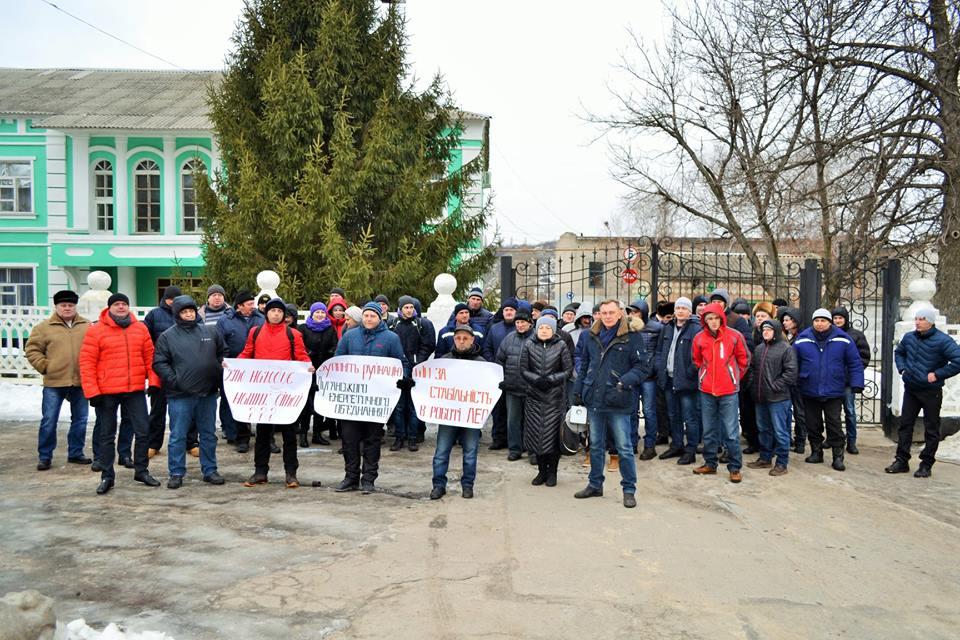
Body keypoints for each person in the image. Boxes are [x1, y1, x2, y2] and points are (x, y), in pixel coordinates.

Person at [79, 292, 161, 495]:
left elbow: (150, 356)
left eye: (124, 304)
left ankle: (141, 470)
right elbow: (87, 363)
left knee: (143, 431)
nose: (121, 307)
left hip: (134, 390)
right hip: (107, 391)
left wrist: (154, 382)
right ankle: (107, 476)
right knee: (107, 435)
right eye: (116, 304)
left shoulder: (140, 328)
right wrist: (92, 392)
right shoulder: (96, 331)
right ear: (110, 308)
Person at [572, 299, 647, 508]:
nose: (607, 316)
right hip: (595, 399)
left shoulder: (632, 337)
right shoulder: (590, 335)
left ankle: (629, 490)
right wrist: (578, 391)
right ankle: (595, 484)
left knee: (624, 448)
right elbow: (584, 365)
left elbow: (642, 367)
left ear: (620, 313)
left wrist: (624, 382)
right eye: (603, 313)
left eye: (611, 312)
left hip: (619, 399)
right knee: (595, 445)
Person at [333, 302, 410, 493]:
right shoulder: (350, 336)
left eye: (372, 316)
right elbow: (338, 360)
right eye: (366, 315)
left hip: (376, 400)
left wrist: (403, 377)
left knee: (372, 440)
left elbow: (401, 362)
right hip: (351, 398)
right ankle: (350, 477)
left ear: (379, 317)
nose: (369, 319)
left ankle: (368, 479)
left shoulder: (391, 338)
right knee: (349, 440)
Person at [153, 295, 227, 489]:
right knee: (178, 435)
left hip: (207, 393)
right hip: (180, 395)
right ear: (177, 314)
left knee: (208, 434)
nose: (189, 315)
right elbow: (159, 363)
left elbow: (223, 353)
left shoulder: (210, 331)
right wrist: (175, 380)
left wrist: (218, 368)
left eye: (191, 311)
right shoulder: (167, 336)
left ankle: (210, 470)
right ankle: (176, 472)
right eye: (184, 312)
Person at [239, 297, 313, 489]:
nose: (276, 314)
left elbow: (301, 356)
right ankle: (260, 472)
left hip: (285, 393)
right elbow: (247, 354)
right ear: (267, 313)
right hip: (263, 393)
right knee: (262, 434)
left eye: (280, 311)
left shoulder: (293, 334)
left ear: (284, 315)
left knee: (289, 434)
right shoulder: (255, 332)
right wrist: (233, 365)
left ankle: (291, 473)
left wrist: (308, 366)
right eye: (273, 311)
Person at [886, 307, 960, 477]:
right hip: (911, 389)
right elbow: (899, 353)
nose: (918, 322)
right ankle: (901, 460)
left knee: (931, 428)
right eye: (916, 319)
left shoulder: (943, 340)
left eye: (922, 319)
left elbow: (958, 360)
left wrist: (938, 374)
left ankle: (926, 464)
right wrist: (903, 369)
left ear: (931, 322)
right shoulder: (909, 337)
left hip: (931, 392)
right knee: (905, 426)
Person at [25, 289, 92, 470]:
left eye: (70, 305)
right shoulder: (43, 328)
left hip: (80, 382)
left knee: (80, 420)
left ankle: (76, 453)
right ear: (56, 307)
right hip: (54, 382)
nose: (67, 308)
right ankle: (45, 456)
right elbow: (32, 349)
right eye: (63, 305)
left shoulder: (87, 326)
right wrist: (45, 366)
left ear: (75, 306)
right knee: (49, 420)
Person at [793, 308, 864, 472]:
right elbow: (793, 362)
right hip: (809, 389)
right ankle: (816, 452)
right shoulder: (802, 339)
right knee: (813, 424)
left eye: (823, 320)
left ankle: (838, 457)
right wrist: (795, 381)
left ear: (829, 322)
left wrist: (856, 383)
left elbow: (854, 362)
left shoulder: (843, 339)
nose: (819, 323)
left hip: (834, 390)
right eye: (816, 320)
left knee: (834, 424)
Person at [691, 301, 750, 483]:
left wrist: (733, 376)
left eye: (717, 318)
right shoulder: (699, 338)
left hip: (728, 391)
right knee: (709, 430)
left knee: (731, 432)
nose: (714, 321)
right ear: (705, 320)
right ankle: (710, 463)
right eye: (710, 318)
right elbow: (696, 359)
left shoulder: (735, 336)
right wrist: (705, 375)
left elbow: (744, 359)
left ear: (722, 318)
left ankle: (735, 467)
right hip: (707, 390)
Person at [430, 325, 487, 499]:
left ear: (472, 340)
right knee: (441, 452)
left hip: (470, 416)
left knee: (470, 452)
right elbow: (433, 385)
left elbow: (487, 388)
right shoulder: (444, 361)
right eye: (458, 338)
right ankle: (438, 485)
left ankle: (468, 485)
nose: (461, 341)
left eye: (465, 338)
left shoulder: (482, 363)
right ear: (453, 340)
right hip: (449, 415)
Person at [520, 315, 574, 488]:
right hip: (534, 398)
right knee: (536, 437)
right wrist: (536, 380)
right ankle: (541, 471)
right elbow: (523, 369)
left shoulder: (561, 345)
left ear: (553, 330)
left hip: (554, 399)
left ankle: (552, 473)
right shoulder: (529, 345)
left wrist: (551, 380)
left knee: (553, 438)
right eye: (541, 328)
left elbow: (568, 370)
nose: (544, 331)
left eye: (548, 328)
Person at [654, 296, 702, 465]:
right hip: (669, 379)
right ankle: (676, 445)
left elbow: (699, 356)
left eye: (684, 308)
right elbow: (659, 351)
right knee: (673, 415)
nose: (680, 311)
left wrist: (690, 372)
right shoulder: (667, 328)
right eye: (678, 308)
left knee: (690, 417)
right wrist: (659, 366)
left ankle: (691, 450)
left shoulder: (696, 329)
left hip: (687, 381)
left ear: (690, 312)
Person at [746, 319, 797, 476]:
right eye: (763, 330)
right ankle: (765, 458)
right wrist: (752, 385)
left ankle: (782, 463)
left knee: (780, 432)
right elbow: (752, 369)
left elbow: (791, 373)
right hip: (760, 397)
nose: (765, 332)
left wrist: (775, 386)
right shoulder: (759, 349)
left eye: (769, 329)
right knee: (763, 429)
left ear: (776, 331)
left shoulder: (786, 349)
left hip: (778, 399)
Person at [216, 290, 265, 453]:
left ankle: (263, 436)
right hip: (233, 368)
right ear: (239, 306)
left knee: (256, 401)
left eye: (253, 303)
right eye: (249, 304)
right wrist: (225, 361)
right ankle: (237, 436)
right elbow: (220, 343)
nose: (253, 306)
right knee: (234, 401)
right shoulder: (225, 321)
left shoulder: (260, 318)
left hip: (256, 368)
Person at [390, 295, 435, 451]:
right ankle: (399, 437)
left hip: (416, 369)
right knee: (399, 405)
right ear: (400, 309)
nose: (409, 310)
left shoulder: (422, 324)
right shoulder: (393, 324)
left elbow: (429, 345)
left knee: (413, 405)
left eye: (411, 307)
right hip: (397, 369)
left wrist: (417, 361)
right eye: (406, 307)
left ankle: (412, 438)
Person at [496, 304, 535, 463]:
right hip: (512, 387)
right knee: (512, 420)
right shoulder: (509, 338)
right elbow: (500, 360)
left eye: (523, 322)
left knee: (532, 421)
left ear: (530, 323)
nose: (520, 325)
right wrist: (503, 380)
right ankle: (514, 449)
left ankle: (533, 451)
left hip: (531, 388)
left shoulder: (536, 339)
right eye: (517, 322)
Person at [628, 299, 666, 459]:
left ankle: (650, 445)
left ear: (643, 312)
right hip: (632, 374)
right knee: (631, 411)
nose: (632, 314)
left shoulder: (656, 327)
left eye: (636, 311)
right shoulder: (628, 327)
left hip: (649, 376)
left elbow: (659, 351)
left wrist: (654, 368)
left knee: (649, 411)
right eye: (630, 312)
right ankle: (632, 443)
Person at [831, 306, 871, 454]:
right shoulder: (828, 334)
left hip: (847, 382)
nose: (837, 321)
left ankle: (851, 441)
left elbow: (863, 357)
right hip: (832, 381)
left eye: (840, 318)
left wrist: (850, 373)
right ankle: (833, 438)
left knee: (850, 411)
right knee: (832, 413)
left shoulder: (856, 335)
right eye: (835, 318)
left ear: (846, 319)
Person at [299, 302, 339, 446]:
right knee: (306, 404)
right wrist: (308, 354)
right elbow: (299, 346)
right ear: (312, 313)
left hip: (324, 371)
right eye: (317, 312)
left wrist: (330, 353)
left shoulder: (330, 329)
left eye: (322, 312)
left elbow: (335, 345)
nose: (320, 315)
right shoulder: (303, 328)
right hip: (307, 370)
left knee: (320, 403)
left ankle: (317, 433)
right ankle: (303, 434)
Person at [483, 298, 519, 449]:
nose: (509, 312)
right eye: (506, 310)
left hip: (516, 375)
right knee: (498, 409)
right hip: (497, 374)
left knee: (515, 411)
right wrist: (494, 364)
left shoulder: (520, 327)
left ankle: (515, 440)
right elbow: (487, 348)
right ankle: (498, 438)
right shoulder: (494, 328)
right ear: (502, 312)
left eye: (511, 310)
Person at [777, 306, 807, 453]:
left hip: (798, 381)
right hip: (786, 380)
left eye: (788, 320)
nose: (785, 322)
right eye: (784, 320)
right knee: (786, 411)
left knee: (800, 412)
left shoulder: (802, 337)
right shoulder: (785, 336)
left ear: (795, 321)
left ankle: (800, 441)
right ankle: (787, 438)